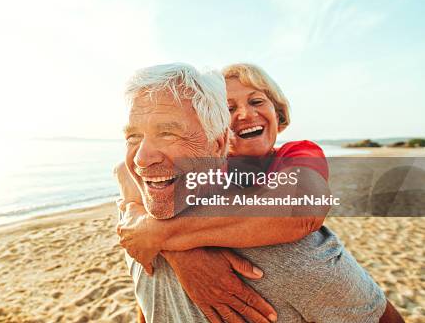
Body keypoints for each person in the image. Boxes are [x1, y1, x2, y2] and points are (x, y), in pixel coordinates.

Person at [116, 63, 403, 322]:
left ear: (278, 113)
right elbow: (124, 171)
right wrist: (182, 254)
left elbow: (301, 210)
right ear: (218, 129)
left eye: (256, 101)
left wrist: (160, 235)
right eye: (229, 109)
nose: (244, 114)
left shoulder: (295, 155)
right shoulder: (183, 179)